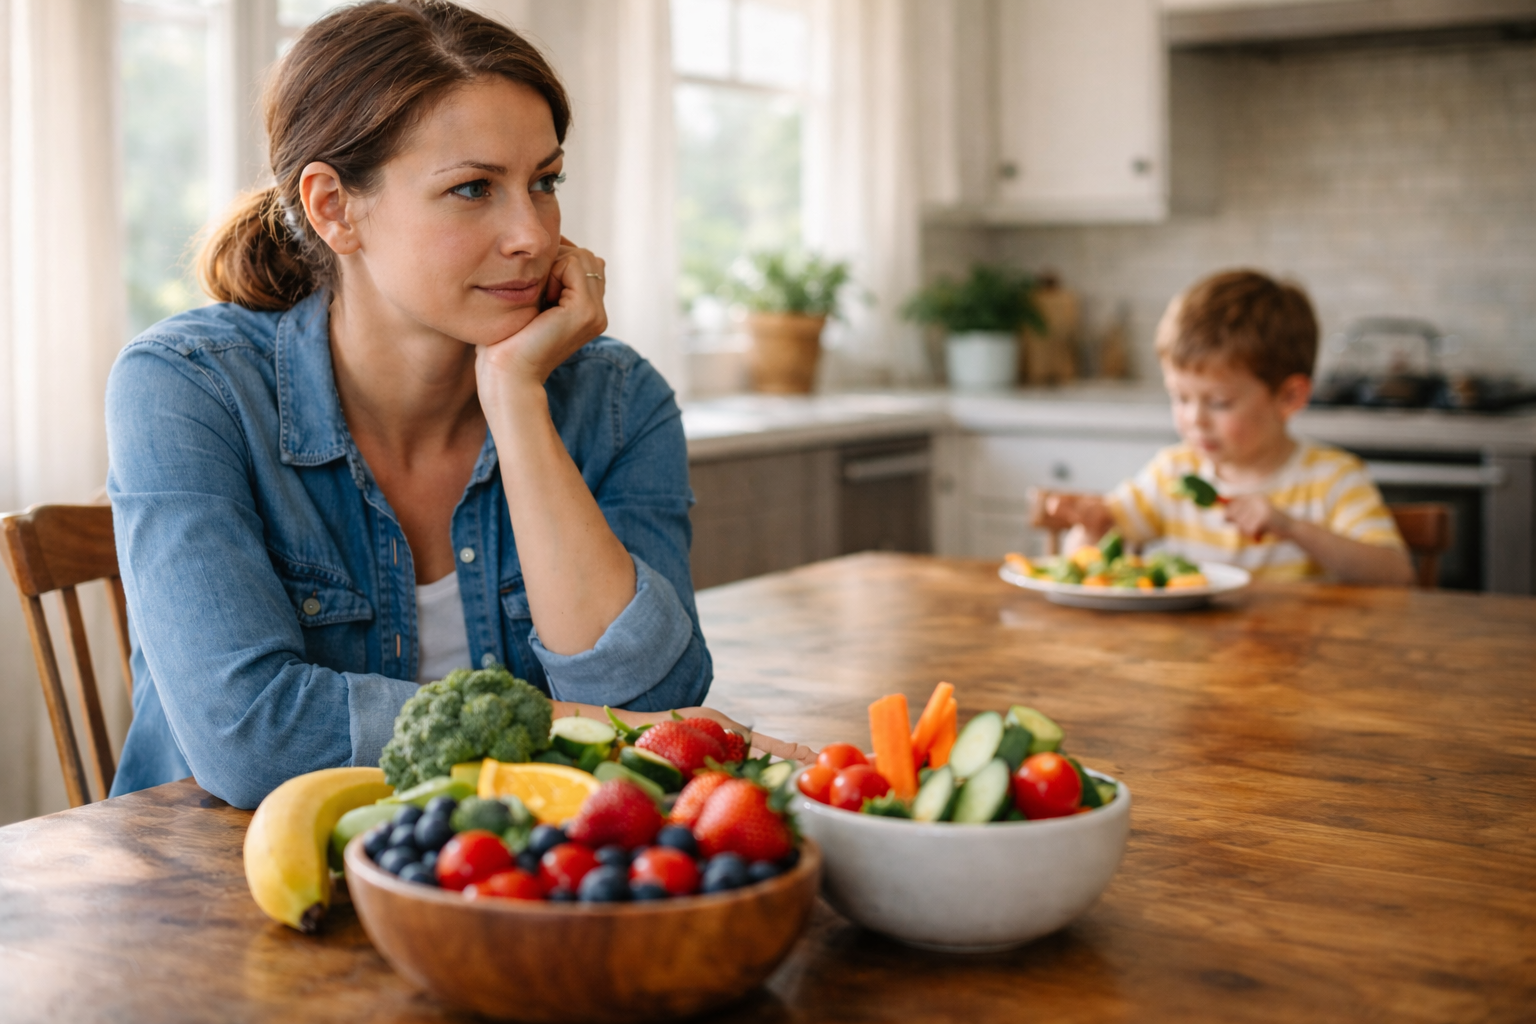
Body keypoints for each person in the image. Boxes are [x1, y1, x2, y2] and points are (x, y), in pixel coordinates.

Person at [106, 1, 742, 809]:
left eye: (544, 183)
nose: (532, 235)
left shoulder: (616, 399)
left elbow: (654, 698)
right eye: (473, 188)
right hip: (221, 890)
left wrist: (516, 398)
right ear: (334, 206)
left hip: (504, 881)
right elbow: (252, 738)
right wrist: (578, 725)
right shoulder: (188, 386)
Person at [1032, 270, 1413, 586]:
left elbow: (1396, 576)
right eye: (1180, 398)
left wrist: (1292, 528)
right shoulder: (1173, 473)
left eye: (1218, 403)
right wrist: (1089, 527)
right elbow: (1092, 552)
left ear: (1289, 397)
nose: (1194, 419)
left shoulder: (1331, 479)